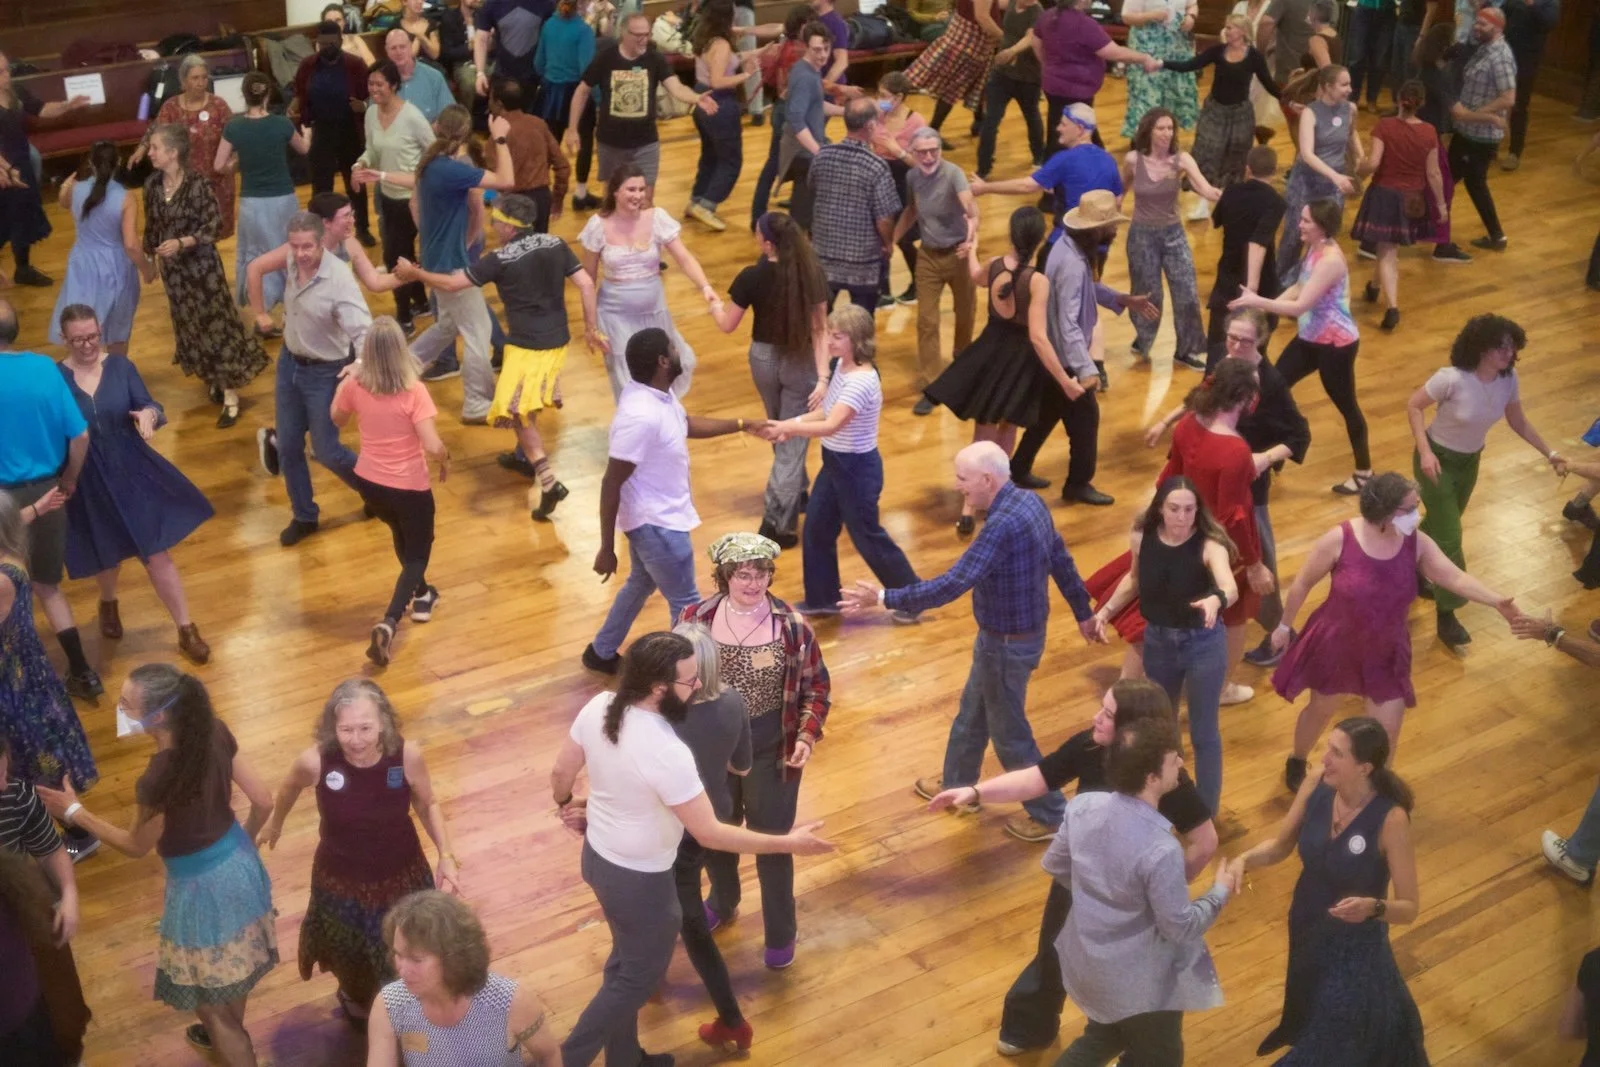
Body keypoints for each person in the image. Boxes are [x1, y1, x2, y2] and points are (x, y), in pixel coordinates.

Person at [549, 632, 833, 1066]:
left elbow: (560, 772)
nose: (697, 686)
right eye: (689, 680)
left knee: (625, 963)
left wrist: (567, 805)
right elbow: (712, 835)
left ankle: (624, 1058)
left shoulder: (599, 706)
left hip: (599, 859)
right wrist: (789, 843)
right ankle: (566, 1060)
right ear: (659, 688)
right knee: (634, 981)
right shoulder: (666, 750)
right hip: (641, 881)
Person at [840, 441, 1103, 828]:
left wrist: (882, 597)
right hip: (1012, 637)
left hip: (1007, 645)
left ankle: (1052, 817)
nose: (958, 486)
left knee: (1010, 736)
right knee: (972, 715)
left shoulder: (1001, 526)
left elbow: (951, 584)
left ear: (986, 479)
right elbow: (1060, 557)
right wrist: (1083, 611)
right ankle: (957, 785)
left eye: (963, 479)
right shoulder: (1029, 503)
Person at [39, 664, 277, 1067]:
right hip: (240, 865)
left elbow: (135, 846)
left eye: (126, 704)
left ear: (160, 715)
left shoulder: (158, 778)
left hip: (202, 892)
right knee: (229, 982)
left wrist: (75, 811)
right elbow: (264, 800)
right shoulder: (215, 731)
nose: (119, 708)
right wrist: (247, 847)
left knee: (215, 1011)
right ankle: (228, 1039)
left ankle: (230, 1043)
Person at [1271, 472, 1518, 790]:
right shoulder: (1341, 538)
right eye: (1409, 508)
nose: (1417, 514)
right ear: (1385, 512)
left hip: (1386, 649)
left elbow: (1453, 577)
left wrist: (1496, 600)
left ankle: (1375, 790)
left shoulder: (1417, 543)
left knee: (1386, 731)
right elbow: (1303, 582)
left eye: (1417, 506)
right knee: (1321, 710)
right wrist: (1283, 625)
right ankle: (1297, 758)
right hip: (1338, 643)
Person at [256, 680, 457, 1028]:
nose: (357, 739)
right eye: (346, 729)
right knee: (348, 952)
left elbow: (428, 803)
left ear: (384, 723)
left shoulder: (407, 756)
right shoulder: (315, 761)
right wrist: (275, 822)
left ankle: (404, 1001)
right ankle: (356, 997)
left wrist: (446, 854)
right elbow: (289, 785)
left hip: (402, 874)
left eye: (365, 727)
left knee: (409, 947)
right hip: (339, 878)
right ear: (333, 728)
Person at [1042, 714, 1236, 1064]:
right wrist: (1219, 891)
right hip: (1142, 982)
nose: (1180, 762)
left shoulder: (1082, 806)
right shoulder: (1161, 850)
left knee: (1103, 1037)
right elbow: (1179, 927)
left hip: (1089, 960)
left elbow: (1055, 864)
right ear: (1151, 778)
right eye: (1172, 759)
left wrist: (1099, 896)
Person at [679, 533, 832, 970]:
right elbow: (674, 680)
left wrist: (805, 736)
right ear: (724, 576)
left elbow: (817, 688)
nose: (752, 583)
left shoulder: (792, 626)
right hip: (712, 748)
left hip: (772, 746)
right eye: (742, 574)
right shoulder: (696, 618)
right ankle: (723, 900)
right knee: (716, 833)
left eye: (761, 573)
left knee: (773, 842)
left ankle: (781, 932)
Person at [397, 192, 599, 519]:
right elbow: (587, 285)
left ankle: (548, 481)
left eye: (495, 219)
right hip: (558, 342)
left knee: (516, 412)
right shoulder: (557, 243)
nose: (492, 223)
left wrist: (416, 274)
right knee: (526, 404)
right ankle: (528, 464)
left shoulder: (499, 259)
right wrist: (590, 328)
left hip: (525, 347)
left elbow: (451, 284)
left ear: (506, 226)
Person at [1238, 717, 1427, 1064]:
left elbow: (1410, 907)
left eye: (1337, 753)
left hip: (1354, 945)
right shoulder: (1316, 784)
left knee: (1335, 1034)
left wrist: (1374, 907)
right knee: (1318, 1004)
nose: (1324, 758)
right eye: (1327, 748)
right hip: (1308, 923)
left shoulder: (1391, 820)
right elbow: (1281, 846)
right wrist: (1245, 858)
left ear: (1364, 767)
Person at [581, 330, 766, 674]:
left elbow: (684, 423)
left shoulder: (657, 397)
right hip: (658, 526)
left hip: (657, 519)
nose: (680, 352)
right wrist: (606, 546)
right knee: (687, 607)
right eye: (673, 349)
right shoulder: (639, 416)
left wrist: (742, 424)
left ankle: (601, 651)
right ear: (663, 362)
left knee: (641, 582)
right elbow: (610, 483)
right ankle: (690, 678)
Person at [1093, 357, 1270, 691]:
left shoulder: (1188, 423)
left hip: (1174, 531)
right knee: (1233, 619)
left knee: (1146, 619)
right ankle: (1222, 690)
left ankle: (1123, 694)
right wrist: (1254, 563)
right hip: (1212, 548)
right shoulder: (1235, 451)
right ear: (1246, 397)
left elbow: (1168, 479)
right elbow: (1234, 517)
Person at [1147, 308, 1311, 670]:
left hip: (1247, 478)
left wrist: (1261, 459)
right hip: (1212, 472)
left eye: (1245, 340)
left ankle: (1277, 633)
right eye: (1231, 338)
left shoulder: (1270, 383)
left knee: (1258, 558)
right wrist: (1166, 422)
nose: (1235, 345)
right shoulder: (1225, 365)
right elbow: (1199, 398)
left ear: (1262, 341)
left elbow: (1299, 435)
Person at [55, 305, 213, 664]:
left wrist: (149, 415)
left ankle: (186, 627)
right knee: (106, 554)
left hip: (131, 471)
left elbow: (149, 403)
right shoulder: (55, 378)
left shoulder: (121, 367)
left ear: (100, 331)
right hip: (88, 477)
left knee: (156, 553)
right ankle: (108, 601)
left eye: (92, 336)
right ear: (64, 339)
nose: (87, 345)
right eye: (78, 339)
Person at [924, 206, 1081, 536]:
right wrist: (1064, 380)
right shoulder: (1037, 281)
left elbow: (975, 274)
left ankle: (971, 505)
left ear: (1012, 235)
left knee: (983, 432)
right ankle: (994, 498)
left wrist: (973, 241)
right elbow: (1038, 337)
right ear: (1040, 240)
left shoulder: (997, 267)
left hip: (990, 353)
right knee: (1007, 429)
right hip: (1020, 361)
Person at [1092, 476, 1244, 815]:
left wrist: (1215, 601)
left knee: (1204, 731)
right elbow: (1133, 579)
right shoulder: (1142, 538)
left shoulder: (1209, 545)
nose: (1182, 517)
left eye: (1189, 510)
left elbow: (1229, 586)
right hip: (1159, 640)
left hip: (1203, 643)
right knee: (1163, 726)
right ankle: (1169, 799)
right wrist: (1104, 611)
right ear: (1160, 508)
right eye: (1174, 509)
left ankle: (1205, 812)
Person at [1407, 315, 1562, 647]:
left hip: (1469, 463)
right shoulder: (1450, 379)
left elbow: (1517, 420)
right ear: (1480, 347)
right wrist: (1424, 453)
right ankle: (1447, 615)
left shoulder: (1509, 379)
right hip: (1436, 462)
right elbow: (1415, 406)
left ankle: (1407, 559)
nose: (1509, 353)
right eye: (1501, 347)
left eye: (1512, 346)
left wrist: (1550, 453)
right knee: (1451, 538)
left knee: (1440, 523)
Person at [762, 305, 923, 617]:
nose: (830, 342)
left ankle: (912, 597)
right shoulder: (842, 367)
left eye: (838, 337)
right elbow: (826, 412)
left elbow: (832, 425)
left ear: (857, 341)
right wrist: (789, 424)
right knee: (817, 530)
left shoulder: (861, 381)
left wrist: (789, 428)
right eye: (830, 335)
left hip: (857, 470)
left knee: (868, 537)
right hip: (836, 462)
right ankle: (822, 599)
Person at [1008, 190, 1152, 505]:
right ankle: (1077, 484)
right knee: (1086, 423)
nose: (1114, 231)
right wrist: (1088, 369)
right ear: (1093, 229)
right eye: (1109, 226)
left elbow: (1087, 288)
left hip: (1055, 357)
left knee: (1046, 415)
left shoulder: (1066, 247)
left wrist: (1122, 299)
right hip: (1068, 359)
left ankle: (1017, 469)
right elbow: (1069, 323)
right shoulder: (1073, 262)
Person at [378, 105, 515, 420]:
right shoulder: (452, 170)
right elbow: (507, 181)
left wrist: (462, 238)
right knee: (478, 331)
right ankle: (477, 404)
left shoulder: (431, 165)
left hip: (437, 258)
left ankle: (398, 371)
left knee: (448, 325)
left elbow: (418, 204)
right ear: (465, 134)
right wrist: (501, 140)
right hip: (450, 265)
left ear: (437, 127)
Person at [330, 319, 451, 664]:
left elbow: (337, 419)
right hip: (409, 487)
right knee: (417, 554)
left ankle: (424, 594)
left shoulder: (356, 386)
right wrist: (445, 457)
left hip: (370, 484)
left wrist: (350, 379)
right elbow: (431, 444)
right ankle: (389, 622)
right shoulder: (414, 391)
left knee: (402, 534)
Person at [1232, 198, 1370, 496]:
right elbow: (1297, 288)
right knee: (1273, 385)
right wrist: (1264, 314)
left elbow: (1300, 306)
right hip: (1310, 337)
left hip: (1335, 345)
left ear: (1321, 227)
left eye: (1306, 221)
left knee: (1347, 406)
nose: (1299, 225)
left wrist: (1256, 301)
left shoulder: (1332, 260)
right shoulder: (1315, 248)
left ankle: (1364, 473)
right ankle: (1279, 449)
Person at [710, 210, 829, 548]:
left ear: (766, 243)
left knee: (783, 434)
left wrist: (714, 303)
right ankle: (787, 513)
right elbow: (821, 329)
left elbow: (726, 324)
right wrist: (823, 377)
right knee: (789, 436)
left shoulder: (750, 276)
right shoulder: (812, 274)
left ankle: (778, 521)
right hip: (800, 360)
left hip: (762, 359)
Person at [139, 124, 270, 429]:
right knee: (191, 327)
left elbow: (214, 226)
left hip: (202, 270)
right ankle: (213, 377)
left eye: (155, 147)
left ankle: (231, 395)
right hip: (175, 275)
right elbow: (152, 226)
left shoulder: (198, 185)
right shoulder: (151, 185)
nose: (151, 153)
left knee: (216, 325)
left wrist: (183, 242)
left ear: (173, 153)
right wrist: (149, 258)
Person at [0, 302, 98, 700]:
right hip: (48, 493)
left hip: (3, 503)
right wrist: (69, 480)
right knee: (47, 585)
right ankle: (82, 671)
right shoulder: (43, 368)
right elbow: (81, 436)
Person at [663, 621, 755, 1048]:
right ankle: (727, 901)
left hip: (672, 830)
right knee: (716, 866)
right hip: (717, 815)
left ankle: (733, 1018)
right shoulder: (734, 700)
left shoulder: (662, 717)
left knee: (688, 925)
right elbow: (742, 766)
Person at [0, 491, 98, 859]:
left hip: (14, 684)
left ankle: (79, 833)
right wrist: (38, 508)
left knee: (32, 758)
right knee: (33, 755)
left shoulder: (4, 578)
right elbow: (15, 518)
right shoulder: (11, 552)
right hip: (24, 676)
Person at [367, 890, 561, 1066]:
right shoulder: (390, 1005)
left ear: (454, 957)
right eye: (398, 954)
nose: (402, 970)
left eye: (416, 959)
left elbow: (549, 1055)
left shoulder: (509, 1002)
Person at [273, 211, 373, 548]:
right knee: (287, 446)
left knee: (327, 450)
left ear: (321, 243)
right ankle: (304, 516)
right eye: (295, 246)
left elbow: (364, 330)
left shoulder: (339, 280)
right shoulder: (290, 261)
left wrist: (358, 365)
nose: (300, 254)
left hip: (324, 372)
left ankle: (376, 490)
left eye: (307, 247)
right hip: (289, 365)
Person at [579, 166, 716, 400]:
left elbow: (684, 257)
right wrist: (590, 326)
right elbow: (587, 281)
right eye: (631, 189)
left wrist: (705, 287)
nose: (638, 195)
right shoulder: (597, 225)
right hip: (615, 316)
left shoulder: (657, 218)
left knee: (671, 365)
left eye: (642, 189)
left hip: (654, 311)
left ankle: (663, 417)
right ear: (615, 192)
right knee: (629, 379)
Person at [0, 737, 90, 1062]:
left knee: (61, 1013)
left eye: (4, 772)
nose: (2, 786)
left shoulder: (18, 795)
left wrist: (69, 893)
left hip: (27, 921)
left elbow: (51, 849)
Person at [564, 12, 718, 189]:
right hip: (611, 142)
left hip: (646, 142)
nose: (643, 39)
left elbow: (676, 87)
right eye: (638, 35)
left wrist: (696, 98)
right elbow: (582, 91)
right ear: (624, 34)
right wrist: (572, 129)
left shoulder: (655, 59)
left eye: (647, 34)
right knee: (613, 199)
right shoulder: (606, 58)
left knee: (645, 199)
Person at [1120, 107, 1220, 370]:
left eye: (1170, 128)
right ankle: (1144, 337)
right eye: (1160, 128)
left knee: (1186, 291)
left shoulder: (1182, 160)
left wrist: (1221, 195)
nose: (1166, 133)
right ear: (1148, 131)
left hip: (1174, 234)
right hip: (1141, 236)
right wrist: (1107, 221)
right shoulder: (1132, 160)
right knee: (1147, 294)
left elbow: (1204, 186)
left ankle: (1187, 349)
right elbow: (1121, 190)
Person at [1159, 14, 1281, 217]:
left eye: (1231, 27)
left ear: (1242, 32)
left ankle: (1229, 202)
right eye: (1226, 27)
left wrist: (1289, 101)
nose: (1226, 31)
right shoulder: (1217, 51)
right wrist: (1163, 63)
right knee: (1208, 154)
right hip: (1214, 112)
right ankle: (1203, 203)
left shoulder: (1254, 57)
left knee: (1235, 160)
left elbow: (1269, 84)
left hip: (1240, 116)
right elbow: (1190, 65)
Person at [895, 128, 979, 414]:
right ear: (914, 153)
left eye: (934, 150)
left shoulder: (953, 173)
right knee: (926, 321)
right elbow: (911, 211)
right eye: (922, 152)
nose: (929, 156)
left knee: (965, 312)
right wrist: (890, 242)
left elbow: (971, 209)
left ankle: (963, 366)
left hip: (959, 253)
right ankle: (932, 386)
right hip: (929, 255)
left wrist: (970, 239)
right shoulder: (912, 177)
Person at [219, 73, 310, 333]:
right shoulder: (281, 124)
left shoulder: (234, 127)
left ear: (244, 95)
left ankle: (262, 312)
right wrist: (310, 136)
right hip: (283, 200)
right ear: (268, 95)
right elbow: (303, 149)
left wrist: (238, 161)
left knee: (257, 256)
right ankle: (290, 311)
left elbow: (219, 165)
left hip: (252, 203)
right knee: (288, 252)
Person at [1351, 78, 1445, 330]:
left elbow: (1373, 164)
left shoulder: (1385, 126)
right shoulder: (1429, 132)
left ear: (1398, 99)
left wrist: (1356, 175)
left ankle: (1392, 307)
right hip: (1412, 197)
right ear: (1421, 103)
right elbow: (1434, 173)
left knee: (1387, 251)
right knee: (1387, 247)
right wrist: (1441, 205)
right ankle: (1374, 287)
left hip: (1385, 195)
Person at [970, 102, 1124, 252]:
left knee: (1043, 269)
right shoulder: (1109, 160)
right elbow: (1117, 200)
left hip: (1067, 242)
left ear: (1079, 129)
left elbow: (1027, 186)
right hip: (1099, 247)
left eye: (1063, 124)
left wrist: (985, 187)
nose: (1058, 129)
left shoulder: (1064, 159)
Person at [354, 60, 436, 334]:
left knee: (393, 256)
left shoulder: (412, 116)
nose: (373, 90)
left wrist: (421, 180)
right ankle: (421, 302)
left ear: (394, 86)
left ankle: (404, 317)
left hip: (412, 199)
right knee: (404, 253)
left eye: (379, 84)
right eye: (370, 84)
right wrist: (360, 164)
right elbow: (372, 151)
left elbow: (433, 152)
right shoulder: (370, 113)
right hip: (387, 196)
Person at [1030, 0, 1159, 163]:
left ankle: (1079, 172)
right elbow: (1114, 52)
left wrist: (1048, 66)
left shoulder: (1047, 16)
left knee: (1066, 129)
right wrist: (1144, 58)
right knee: (1067, 136)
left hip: (1054, 86)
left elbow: (1036, 43)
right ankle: (1060, 181)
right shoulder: (1083, 24)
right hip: (1076, 89)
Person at [0, 54, 89, 287]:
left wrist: (67, 106)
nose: (7, 76)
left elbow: (41, 109)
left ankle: (23, 269)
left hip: (20, 159)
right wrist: (6, 169)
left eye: (7, 69)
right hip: (2, 166)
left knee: (23, 216)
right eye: (1, 72)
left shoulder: (15, 92)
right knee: (3, 219)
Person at [809, 98, 903, 310]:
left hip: (823, 255)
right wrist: (888, 244)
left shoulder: (822, 155)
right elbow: (884, 218)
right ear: (870, 126)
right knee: (861, 323)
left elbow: (812, 189)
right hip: (863, 262)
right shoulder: (876, 166)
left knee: (819, 321)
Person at [48, 143, 141, 355]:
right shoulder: (126, 197)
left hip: (82, 264)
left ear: (90, 162)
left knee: (81, 327)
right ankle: (115, 377)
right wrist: (147, 268)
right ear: (118, 163)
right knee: (118, 330)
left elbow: (64, 202)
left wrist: (64, 187)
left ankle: (83, 377)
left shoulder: (75, 189)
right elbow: (131, 244)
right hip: (116, 267)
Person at [133, 55, 237, 241]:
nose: (201, 83)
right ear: (183, 80)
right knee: (188, 234)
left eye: (204, 77)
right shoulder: (171, 107)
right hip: (184, 184)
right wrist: (141, 149)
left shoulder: (219, 105)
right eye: (195, 78)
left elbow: (237, 137)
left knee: (214, 235)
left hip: (217, 182)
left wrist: (233, 163)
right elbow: (156, 129)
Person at [294, 22, 377, 251]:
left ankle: (362, 228)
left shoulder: (355, 64)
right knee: (321, 185)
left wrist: (363, 106)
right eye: (322, 43)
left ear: (340, 41)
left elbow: (369, 97)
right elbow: (300, 94)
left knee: (355, 184)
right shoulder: (308, 65)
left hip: (350, 130)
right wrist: (298, 115)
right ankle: (320, 229)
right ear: (317, 43)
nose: (327, 47)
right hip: (321, 130)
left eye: (332, 43)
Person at [1276, 64, 1360, 284]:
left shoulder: (1350, 109)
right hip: (1307, 181)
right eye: (1344, 84)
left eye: (1349, 83)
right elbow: (1307, 154)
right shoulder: (1310, 113)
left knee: (1324, 238)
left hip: (1333, 185)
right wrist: (1336, 176)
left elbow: (1351, 135)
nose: (1349, 89)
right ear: (1328, 87)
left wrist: (1360, 157)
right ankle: (1279, 284)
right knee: (1294, 236)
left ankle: (1307, 284)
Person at [1200, 145, 1284, 356]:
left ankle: (1213, 384)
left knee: (1218, 345)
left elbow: (1216, 221)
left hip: (1228, 275)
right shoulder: (1276, 202)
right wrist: (1252, 288)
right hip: (1261, 280)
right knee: (1255, 348)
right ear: (1274, 172)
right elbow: (1260, 241)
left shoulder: (1231, 191)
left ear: (1248, 169)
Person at [1449, 6, 1517, 250]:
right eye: (1476, 23)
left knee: (1462, 180)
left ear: (1497, 28)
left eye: (1483, 25)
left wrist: (1477, 115)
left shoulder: (1501, 56)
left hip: (1480, 136)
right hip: (1468, 130)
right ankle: (1496, 236)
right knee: (1459, 180)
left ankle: (1496, 236)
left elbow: (1508, 97)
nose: (1476, 27)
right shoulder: (1484, 49)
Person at [747, 10, 822, 227]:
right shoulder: (797, 51)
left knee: (778, 162)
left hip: (781, 109)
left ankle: (759, 214)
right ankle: (788, 215)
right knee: (792, 162)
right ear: (802, 26)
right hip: (789, 111)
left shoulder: (786, 44)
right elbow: (794, 89)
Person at [686, 0, 749, 231]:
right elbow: (718, 80)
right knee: (731, 160)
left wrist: (758, 52)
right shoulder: (721, 44)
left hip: (702, 99)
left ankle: (696, 200)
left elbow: (728, 60)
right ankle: (707, 205)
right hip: (719, 103)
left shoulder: (706, 39)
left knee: (711, 155)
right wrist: (746, 76)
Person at [1414, 22, 1470, 263]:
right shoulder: (1437, 76)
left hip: (1417, 133)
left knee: (1407, 184)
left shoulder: (1427, 69)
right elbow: (1458, 113)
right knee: (1443, 185)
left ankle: (1374, 238)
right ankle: (1441, 243)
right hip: (1428, 138)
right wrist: (1491, 117)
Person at [902, 0, 1002, 136]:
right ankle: (932, 130)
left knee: (977, 83)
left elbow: (995, 4)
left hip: (967, 37)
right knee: (953, 88)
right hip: (969, 42)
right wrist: (1004, 38)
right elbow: (982, 16)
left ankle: (979, 121)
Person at [975, 0, 1044, 181]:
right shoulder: (1011, 3)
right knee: (990, 120)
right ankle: (983, 168)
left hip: (1028, 76)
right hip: (1002, 74)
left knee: (1032, 116)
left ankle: (1039, 157)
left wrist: (1011, 51)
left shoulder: (1036, 11)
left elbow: (1030, 37)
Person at [491, 79, 569, 231]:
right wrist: (557, 199)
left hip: (513, 202)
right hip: (542, 199)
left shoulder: (497, 134)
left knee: (516, 251)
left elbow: (493, 173)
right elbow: (563, 166)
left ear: (499, 104)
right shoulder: (538, 124)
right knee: (538, 249)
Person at [1119, 0, 1201, 139]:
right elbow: (1126, 16)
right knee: (1146, 92)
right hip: (1147, 48)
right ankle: (1143, 139)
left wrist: (1190, 17)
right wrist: (1150, 15)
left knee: (1174, 92)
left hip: (1176, 48)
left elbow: (1192, 5)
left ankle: (1167, 136)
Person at [1501, 0, 1559, 170]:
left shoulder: (1550, 2)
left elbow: (1549, 23)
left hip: (1527, 60)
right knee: (1495, 101)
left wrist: (1531, 4)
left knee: (1519, 106)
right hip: (1504, 55)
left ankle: (1514, 153)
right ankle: (1490, 147)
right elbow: (1503, 13)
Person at [533, 0, 597, 144]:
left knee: (551, 143)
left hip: (551, 94)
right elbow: (587, 70)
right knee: (584, 142)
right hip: (576, 92)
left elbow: (538, 63)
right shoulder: (583, 30)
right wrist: (598, 99)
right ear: (582, 4)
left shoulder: (548, 25)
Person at [473, 0, 556, 102]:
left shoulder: (546, 3)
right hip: (502, 74)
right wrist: (480, 73)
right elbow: (481, 38)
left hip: (533, 77)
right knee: (499, 114)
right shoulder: (492, 3)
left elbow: (555, 37)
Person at [386, 27, 456, 122]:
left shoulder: (434, 77)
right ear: (387, 51)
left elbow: (449, 115)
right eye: (393, 48)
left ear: (410, 47)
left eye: (402, 47)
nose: (398, 52)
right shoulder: (381, 81)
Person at [1347, 0, 1399, 113]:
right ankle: (1352, 99)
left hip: (1387, 11)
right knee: (1357, 58)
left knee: (1379, 60)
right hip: (1364, 9)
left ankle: (1372, 99)